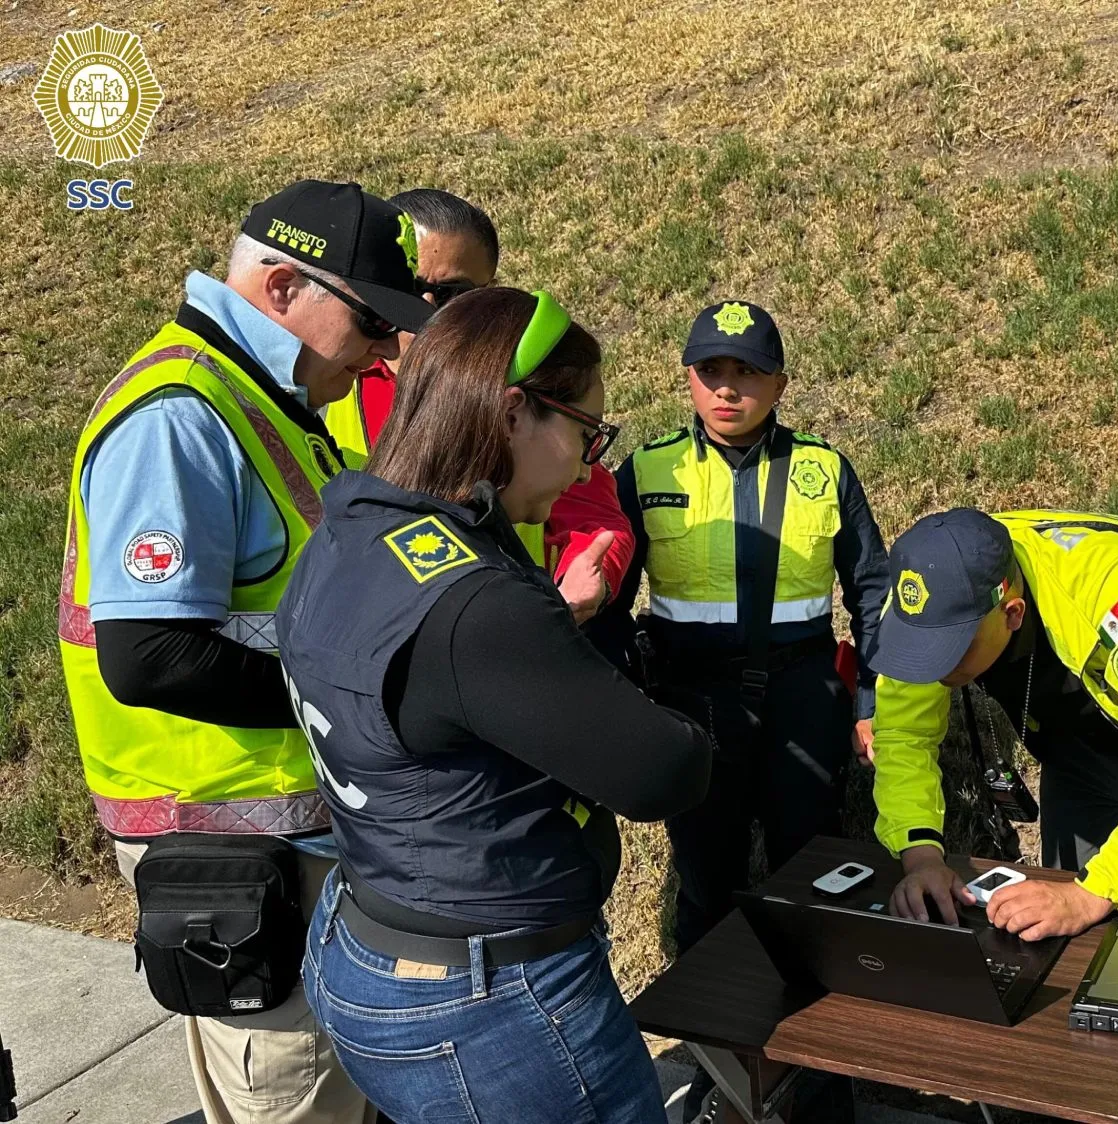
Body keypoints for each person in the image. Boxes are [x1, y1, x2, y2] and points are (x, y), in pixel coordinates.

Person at [275, 287, 713, 1124]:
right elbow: (663, 772)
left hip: (365, 934)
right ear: (513, 414)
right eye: (587, 433)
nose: (589, 466)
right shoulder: (477, 605)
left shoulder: (347, 528)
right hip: (488, 997)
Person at [58, 179, 432, 1124]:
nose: (387, 349)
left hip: (292, 842)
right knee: (295, 1099)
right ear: (280, 289)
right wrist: (357, 706)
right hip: (233, 850)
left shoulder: (267, 403)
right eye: (371, 321)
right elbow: (150, 656)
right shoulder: (180, 417)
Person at [605, 299, 889, 946]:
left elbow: (872, 590)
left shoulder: (824, 470)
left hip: (804, 694)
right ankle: (711, 1032)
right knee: (706, 875)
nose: (728, 388)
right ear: (687, 377)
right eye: (711, 370)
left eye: (749, 371)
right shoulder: (649, 470)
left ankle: (816, 1023)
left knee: (815, 870)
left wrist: (870, 700)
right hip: (693, 700)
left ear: (781, 385)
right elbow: (609, 605)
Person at [867, 508, 1118, 940]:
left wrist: (1090, 897)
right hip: (1075, 732)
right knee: (1069, 925)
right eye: (922, 647)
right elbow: (903, 735)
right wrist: (922, 858)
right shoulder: (927, 599)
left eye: (950, 651)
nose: (931, 667)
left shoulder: (1115, 595)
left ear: (1013, 613)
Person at [321, 188, 634, 622]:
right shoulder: (328, 382)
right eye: (408, 287)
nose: (426, 311)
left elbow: (594, 519)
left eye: (453, 296)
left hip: (503, 626)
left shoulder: (525, 391)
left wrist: (578, 588)